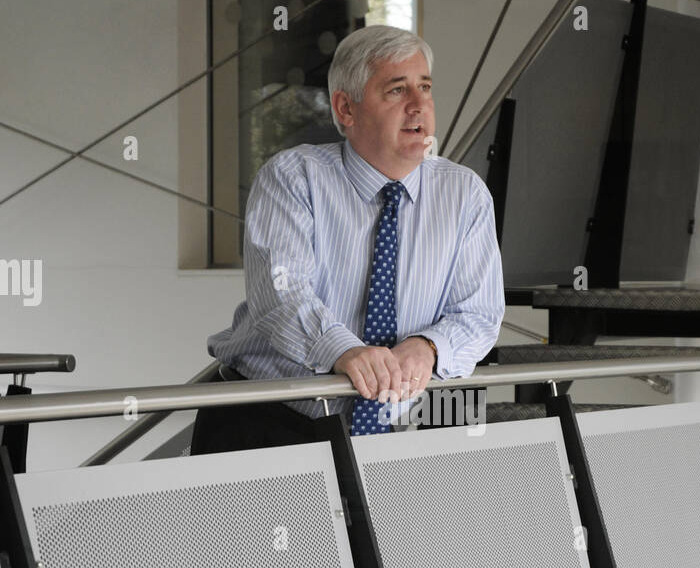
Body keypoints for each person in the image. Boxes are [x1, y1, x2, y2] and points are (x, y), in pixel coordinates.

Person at [194, 24, 505, 452]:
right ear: (346, 108)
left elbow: (480, 312)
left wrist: (430, 347)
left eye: (425, 87)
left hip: (407, 427)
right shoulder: (293, 178)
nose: (419, 106)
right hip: (272, 421)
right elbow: (281, 295)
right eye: (397, 91)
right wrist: (345, 351)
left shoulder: (465, 193)